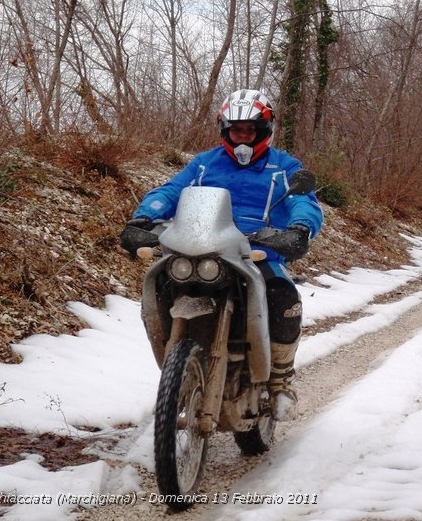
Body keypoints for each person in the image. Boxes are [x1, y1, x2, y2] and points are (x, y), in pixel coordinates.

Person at [119, 88, 323, 421]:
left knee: (283, 296)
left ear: (264, 130)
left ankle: (280, 380)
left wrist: (299, 229)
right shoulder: (204, 163)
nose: (243, 137)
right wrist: (143, 217)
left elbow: (305, 202)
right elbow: (171, 190)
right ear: (225, 130)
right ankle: (177, 367)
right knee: (162, 286)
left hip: (259, 253)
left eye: (250, 130)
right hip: (203, 250)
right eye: (236, 130)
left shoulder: (284, 166)